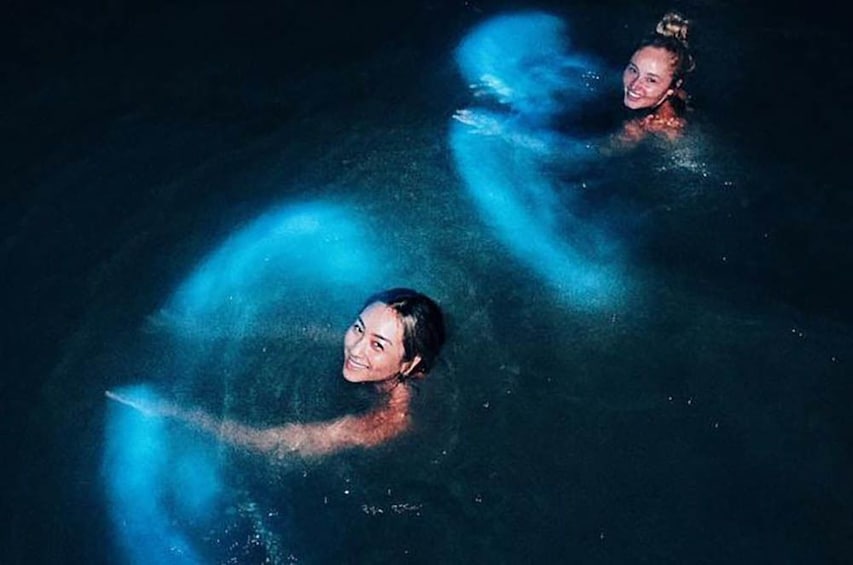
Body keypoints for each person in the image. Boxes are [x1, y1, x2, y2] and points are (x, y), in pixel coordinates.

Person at [106, 288, 446, 458]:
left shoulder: (390, 419)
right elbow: (297, 331)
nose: (355, 349)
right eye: (357, 328)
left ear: (410, 364)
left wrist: (174, 412)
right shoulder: (362, 348)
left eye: (378, 345)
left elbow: (274, 442)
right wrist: (198, 329)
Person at [617, 11, 696, 144]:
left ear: (672, 87)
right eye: (633, 70)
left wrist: (622, 141)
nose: (634, 85)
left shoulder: (667, 130)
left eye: (651, 80)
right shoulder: (671, 95)